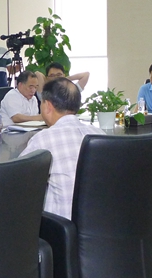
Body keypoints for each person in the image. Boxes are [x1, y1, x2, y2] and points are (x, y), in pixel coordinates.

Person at [21, 78, 104, 220]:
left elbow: (18, 179)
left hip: (61, 226)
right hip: (101, 223)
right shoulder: (99, 134)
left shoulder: (43, 139)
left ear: (47, 106)